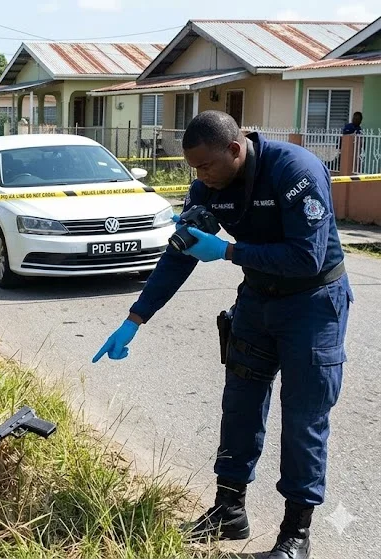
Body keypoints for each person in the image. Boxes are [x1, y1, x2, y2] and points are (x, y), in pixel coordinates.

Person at [92, 111, 351, 559]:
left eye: (206, 166)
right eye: (193, 168)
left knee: (303, 419)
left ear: (234, 149)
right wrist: (134, 319)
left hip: (312, 303)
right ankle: (228, 511)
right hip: (256, 301)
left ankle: (296, 535)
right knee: (239, 406)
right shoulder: (207, 186)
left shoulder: (295, 172)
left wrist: (229, 251)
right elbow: (181, 255)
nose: (200, 177)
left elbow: (306, 258)